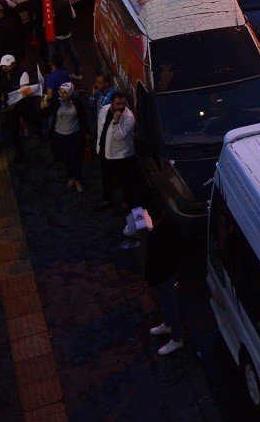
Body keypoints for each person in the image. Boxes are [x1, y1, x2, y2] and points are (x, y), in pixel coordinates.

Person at [145, 208, 185, 355]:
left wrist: (150, 279)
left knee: (169, 303)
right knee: (169, 300)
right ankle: (168, 324)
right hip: (170, 271)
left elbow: (151, 262)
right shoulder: (172, 226)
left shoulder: (154, 236)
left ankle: (177, 337)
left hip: (161, 275)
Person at [95, 92, 138, 212]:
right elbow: (100, 127)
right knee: (106, 178)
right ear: (112, 103)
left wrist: (116, 122)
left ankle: (126, 204)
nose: (121, 106)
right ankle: (107, 200)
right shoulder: (104, 109)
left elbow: (119, 137)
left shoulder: (129, 118)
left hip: (121, 155)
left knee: (125, 180)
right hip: (105, 150)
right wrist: (99, 146)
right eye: (118, 104)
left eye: (123, 103)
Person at [49, 82, 90, 193]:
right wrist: (43, 107)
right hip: (60, 136)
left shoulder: (76, 103)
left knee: (75, 159)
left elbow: (82, 118)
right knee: (66, 159)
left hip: (74, 135)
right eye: (61, 92)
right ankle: (72, 176)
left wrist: (87, 133)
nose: (62, 95)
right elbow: (46, 114)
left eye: (65, 93)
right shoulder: (56, 102)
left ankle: (77, 179)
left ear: (70, 94)